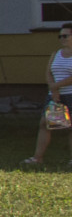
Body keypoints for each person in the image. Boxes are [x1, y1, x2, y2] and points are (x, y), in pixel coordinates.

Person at [27, 23, 72, 166]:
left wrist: (56, 86)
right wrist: (54, 90)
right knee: (45, 124)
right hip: (55, 96)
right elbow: (48, 72)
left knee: (70, 127)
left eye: (65, 35)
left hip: (70, 94)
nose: (62, 38)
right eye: (60, 36)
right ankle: (37, 157)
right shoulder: (56, 54)